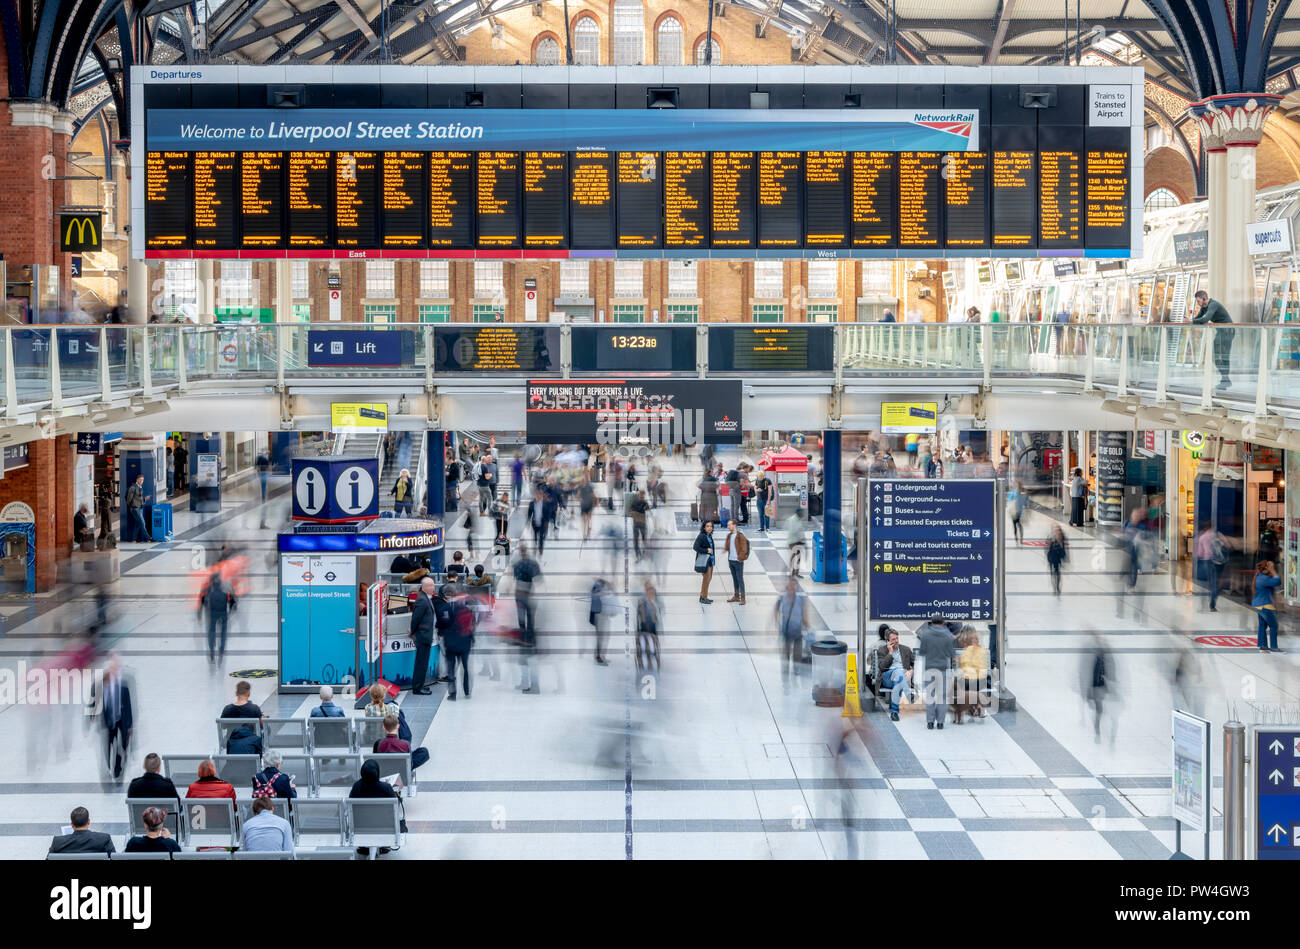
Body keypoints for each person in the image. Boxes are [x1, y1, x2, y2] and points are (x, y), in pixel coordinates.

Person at [349, 759, 401, 855]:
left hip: (360, 828)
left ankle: (365, 846)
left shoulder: (356, 786)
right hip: (385, 827)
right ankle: (382, 845)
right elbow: (395, 807)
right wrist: (397, 795)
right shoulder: (386, 787)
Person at [95, 657, 133, 780]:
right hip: (108, 722)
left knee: (121, 745)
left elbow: (128, 706)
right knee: (108, 745)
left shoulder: (123, 688)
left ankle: (118, 765)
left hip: (121, 721)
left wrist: (130, 724)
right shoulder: (99, 689)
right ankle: (110, 765)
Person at [916, 614, 956, 730]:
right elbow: (951, 654)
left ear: (931, 622)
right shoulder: (948, 635)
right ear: (943, 623)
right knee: (942, 697)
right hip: (943, 670)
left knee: (930, 696)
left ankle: (929, 722)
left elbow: (922, 652)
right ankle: (940, 723)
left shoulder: (926, 635)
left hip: (929, 669)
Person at [1191, 289, 1233, 390]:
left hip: (1228, 331)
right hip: (1221, 331)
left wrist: (1191, 321)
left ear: (1204, 298)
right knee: (1216, 356)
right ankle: (1225, 380)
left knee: (1223, 355)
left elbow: (1205, 319)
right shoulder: (1204, 308)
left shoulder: (1213, 305)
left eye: (1198, 301)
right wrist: (1191, 321)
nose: (1198, 304)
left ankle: (1225, 380)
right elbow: (1198, 318)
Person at [774, 577, 809, 687]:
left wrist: (807, 626)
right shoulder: (782, 598)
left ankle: (796, 670)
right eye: (789, 586)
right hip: (786, 630)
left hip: (797, 630)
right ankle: (785, 671)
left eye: (793, 586)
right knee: (786, 653)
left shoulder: (800, 600)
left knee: (797, 653)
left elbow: (803, 614)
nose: (791, 588)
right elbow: (775, 611)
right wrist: (777, 623)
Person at [875, 628, 914, 722]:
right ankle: (908, 694)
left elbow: (915, 663)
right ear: (888, 641)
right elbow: (881, 667)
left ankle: (894, 713)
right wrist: (890, 653)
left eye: (897, 638)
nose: (896, 641)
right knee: (898, 671)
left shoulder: (906, 649)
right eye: (893, 639)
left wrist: (912, 670)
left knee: (898, 683)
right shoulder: (882, 650)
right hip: (887, 677)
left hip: (901, 678)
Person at [442, 586, 475, 697]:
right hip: (465, 642)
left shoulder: (446, 608)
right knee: (465, 667)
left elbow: (443, 625)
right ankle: (467, 690)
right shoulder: (467, 608)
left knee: (451, 668)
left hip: (450, 642)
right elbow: (472, 625)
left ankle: (452, 693)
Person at [198, 570, 236, 664]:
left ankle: (212, 649)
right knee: (223, 632)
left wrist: (202, 611)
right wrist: (231, 610)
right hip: (223, 613)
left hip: (212, 613)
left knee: (211, 631)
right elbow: (232, 601)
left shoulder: (208, 588)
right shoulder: (226, 586)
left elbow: (202, 601)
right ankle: (221, 649)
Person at [954, 627, 990, 723]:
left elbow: (962, 665)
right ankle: (978, 708)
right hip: (981, 679)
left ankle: (973, 707)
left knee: (962, 687)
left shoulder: (966, 651)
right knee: (974, 691)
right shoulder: (982, 650)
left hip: (969, 679)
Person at [410, 576, 438, 694]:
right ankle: (417, 687)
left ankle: (420, 684)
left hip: (425, 635)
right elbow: (416, 618)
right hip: (422, 636)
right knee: (421, 663)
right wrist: (412, 631)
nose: (433, 587)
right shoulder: (422, 599)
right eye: (430, 585)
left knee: (423, 662)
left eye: (433, 585)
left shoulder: (426, 597)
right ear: (424, 587)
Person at [48, 807, 115, 855]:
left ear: (72, 824)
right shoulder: (104, 839)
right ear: (88, 821)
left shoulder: (58, 842)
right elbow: (114, 857)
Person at [1194, 521, 1227, 612]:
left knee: (1204, 583)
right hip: (1217, 563)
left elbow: (1200, 553)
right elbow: (1227, 545)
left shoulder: (1202, 537)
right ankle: (1212, 605)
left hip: (1207, 561)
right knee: (1215, 584)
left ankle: (1202, 605)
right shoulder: (1217, 535)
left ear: (1205, 528)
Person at [1253, 559, 1282, 652]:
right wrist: (1273, 570)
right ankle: (1273, 646)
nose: (1272, 568)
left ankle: (1263, 645)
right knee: (1274, 626)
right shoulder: (1265, 579)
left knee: (1262, 625)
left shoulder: (1259, 577)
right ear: (1266, 568)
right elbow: (1278, 581)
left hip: (1258, 605)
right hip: (1266, 606)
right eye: (1270, 566)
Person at [636, 579, 661, 672]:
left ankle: (651, 665)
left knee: (652, 649)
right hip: (645, 630)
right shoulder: (642, 602)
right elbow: (641, 618)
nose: (652, 594)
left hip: (652, 630)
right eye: (649, 591)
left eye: (653, 592)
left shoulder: (654, 603)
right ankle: (643, 665)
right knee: (645, 649)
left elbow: (656, 618)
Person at [722, 519, 749, 606]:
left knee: (740, 579)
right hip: (731, 561)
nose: (728, 526)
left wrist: (739, 558)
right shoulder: (729, 535)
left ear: (734, 525)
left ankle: (743, 598)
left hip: (738, 562)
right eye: (727, 525)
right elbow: (727, 546)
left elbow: (744, 549)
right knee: (735, 579)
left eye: (729, 525)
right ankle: (736, 596)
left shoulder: (740, 536)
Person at [694, 520, 716, 604]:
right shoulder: (702, 536)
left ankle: (702, 595)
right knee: (706, 579)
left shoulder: (709, 536)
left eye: (711, 526)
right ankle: (704, 598)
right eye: (707, 526)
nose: (709, 528)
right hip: (705, 562)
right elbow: (695, 547)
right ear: (704, 527)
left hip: (711, 561)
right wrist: (706, 550)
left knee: (708, 579)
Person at [125, 473, 151, 543]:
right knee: (142, 523)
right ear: (137, 480)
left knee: (138, 523)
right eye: (140, 480)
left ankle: (134, 539)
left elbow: (138, 498)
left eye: (142, 480)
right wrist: (133, 506)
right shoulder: (133, 487)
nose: (141, 481)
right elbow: (129, 499)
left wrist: (145, 499)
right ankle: (148, 538)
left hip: (140, 508)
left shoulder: (140, 487)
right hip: (135, 508)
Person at [527, 486, 551, 554]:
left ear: (542, 495)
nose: (538, 496)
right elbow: (529, 512)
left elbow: (547, 513)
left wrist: (547, 523)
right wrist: (528, 520)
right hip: (534, 523)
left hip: (542, 523)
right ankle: (534, 546)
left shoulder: (545, 504)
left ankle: (540, 549)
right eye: (537, 494)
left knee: (540, 537)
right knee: (534, 536)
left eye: (540, 494)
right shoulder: (532, 503)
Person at [1046, 524, 1068, 596]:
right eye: (1056, 530)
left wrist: (1064, 558)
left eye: (1058, 530)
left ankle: (1057, 587)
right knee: (1053, 573)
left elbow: (1064, 549)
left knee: (1057, 572)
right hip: (1051, 557)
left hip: (1057, 557)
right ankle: (1054, 586)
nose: (1057, 532)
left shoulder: (1062, 538)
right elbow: (1047, 549)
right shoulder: (1051, 538)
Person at [785, 508, 807, 578]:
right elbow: (793, 531)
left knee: (798, 558)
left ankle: (795, 573)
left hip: (797, 541)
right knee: (794, 557)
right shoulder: (792, 520)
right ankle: (792, 573)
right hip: (792, 542)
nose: (802, 515)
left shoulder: (798, 519)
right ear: (798, 513)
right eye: (801, 513)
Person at [629, 490, 650, 559]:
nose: (642, 497)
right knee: (641, 539)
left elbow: (630, 512)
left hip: (638, 523)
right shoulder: (644, 503)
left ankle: (638, 554)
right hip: (641, 523)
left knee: (637, 539)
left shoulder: (641, 503)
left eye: (642, 496)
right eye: (641, 496)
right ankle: (639, 554)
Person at [1011, 480, 1027, 545]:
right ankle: (1017, 539)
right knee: (1016, 526)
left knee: (1019, 525)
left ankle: (1020, 539)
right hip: (1015, 511)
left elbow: (1025, 499)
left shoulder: (1021, 491)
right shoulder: (1014, 491)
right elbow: (1010, 499)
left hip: (1018, 511)